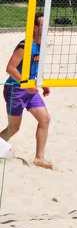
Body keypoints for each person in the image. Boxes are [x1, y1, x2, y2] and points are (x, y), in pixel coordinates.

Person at [2, 13, 54, 169]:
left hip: (30, 90)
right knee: (14, 128)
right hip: (15, 89)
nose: (48, 28)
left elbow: (35, 66)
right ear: (35, 27)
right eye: (44, 25)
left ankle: (39, 157)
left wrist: (42, 83)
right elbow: (10, 69)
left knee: (45, 119)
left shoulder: (41, 44)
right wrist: (25, 83)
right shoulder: (24, 46)